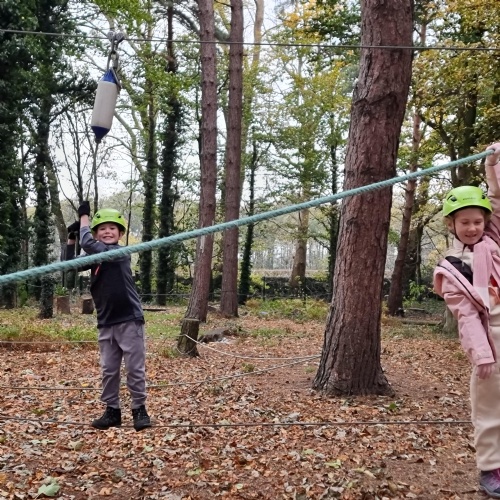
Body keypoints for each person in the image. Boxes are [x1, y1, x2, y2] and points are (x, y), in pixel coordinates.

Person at [434, 143, 500, 498]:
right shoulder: (451, 269)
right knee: (489, 407)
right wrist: (482, 353)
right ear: (452, 224)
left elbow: (498, 199)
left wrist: (492, 165)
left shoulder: (494, 241)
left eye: (478, 221)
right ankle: (490, 468)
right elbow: (466, 316)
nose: (473, 228)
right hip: (492, 338)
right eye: (465, 222)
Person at [66, 201, 151, 432]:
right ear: (96, 233)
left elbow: (88, 243)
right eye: (102, 228)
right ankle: (112, 411)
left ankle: (139, 410)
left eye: (112, 228)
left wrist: (84, 217)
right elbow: (70, 266)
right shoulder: (96, 257)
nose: (107, 232)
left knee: (134, 369)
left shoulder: (119, 253)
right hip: (105, 322)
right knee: (109, 370)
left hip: (129, 320)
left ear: (120, 233)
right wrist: (71, 238)